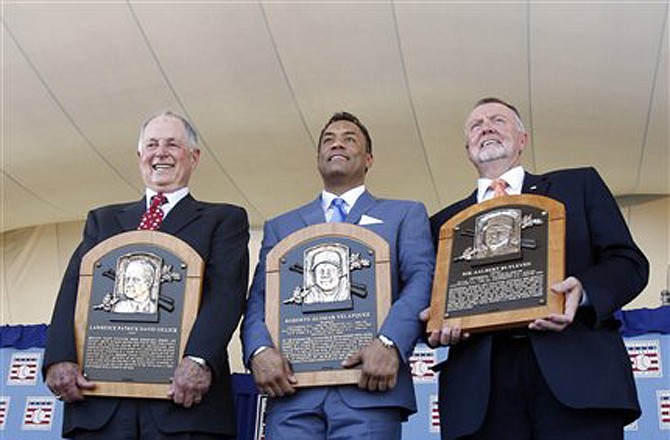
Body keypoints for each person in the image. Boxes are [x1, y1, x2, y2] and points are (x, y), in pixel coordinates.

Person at [425, 97, 649, 440]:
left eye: (498, 120)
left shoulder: (578, 186)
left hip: (576, 376)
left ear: (522, 139)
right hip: (481, 394)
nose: (486, 127)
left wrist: (584, 291)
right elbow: (428, 301)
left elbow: (628, 262)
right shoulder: (442, 224)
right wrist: (436, 322)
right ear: (468, 148)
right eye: (476, 125)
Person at [43, 111, 250, 439]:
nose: (160, 152)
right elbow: (73, 289)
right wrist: (59, 358)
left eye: (172, 144)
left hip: (182, 403)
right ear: (140, 157)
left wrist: (198, 360)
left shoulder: (223, 219)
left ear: (194, 157)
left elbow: (227, 293)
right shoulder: (103, 220)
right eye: (152, 144)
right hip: (101, 403)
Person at [242, 111, 435, 439]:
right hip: (292, 394)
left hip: (369, 390)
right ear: (318, 158)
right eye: (328, 140)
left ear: (369, 158)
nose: (337, 144)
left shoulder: (405, 214)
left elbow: (421, 279)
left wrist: (389, 343)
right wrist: (258, 351)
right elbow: (259, 299)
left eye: (349, 139)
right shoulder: (281, 226)